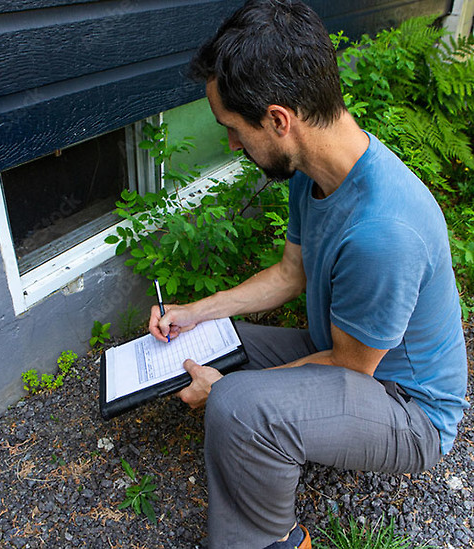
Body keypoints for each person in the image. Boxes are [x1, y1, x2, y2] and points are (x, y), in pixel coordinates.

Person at [148, 1, 469, 548]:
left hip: (408, 410)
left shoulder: (383, 231)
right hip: (348, 356)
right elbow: (289, 274)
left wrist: (231, 391)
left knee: (236, 406)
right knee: (212, 340)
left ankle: (273, 541)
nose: (230, 144)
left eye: (232, 129)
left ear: (278, 120)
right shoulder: (311, 171)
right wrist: (191, 313)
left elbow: (352, 366)